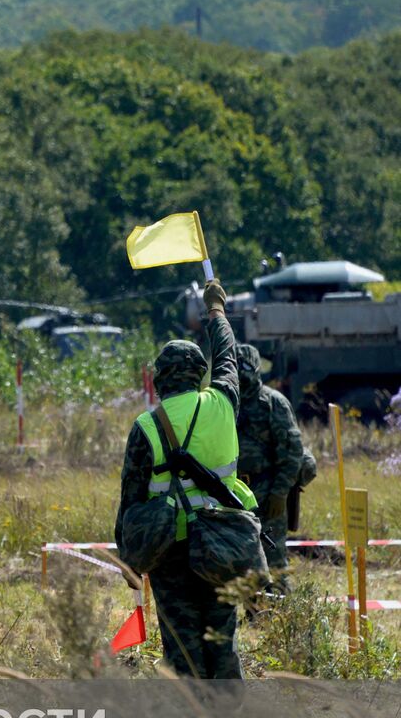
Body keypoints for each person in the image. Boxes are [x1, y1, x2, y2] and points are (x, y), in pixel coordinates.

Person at [115, 280, 256, 679]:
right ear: (199, 375)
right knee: (222, 641)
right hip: (223, 540)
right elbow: (226, 355)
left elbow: (130, 501)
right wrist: (216, 310)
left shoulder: (145, 426)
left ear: (160, 381)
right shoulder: (224, 402)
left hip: (170, 551)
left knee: (182, 648)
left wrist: (131, 561)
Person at [234, 343, 305, 582]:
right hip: (231, 494)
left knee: (273, 559)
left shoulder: (273, 403)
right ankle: (254, 614)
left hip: (267, 494)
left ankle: (280, 615)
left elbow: (292, 453)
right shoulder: (225, 404)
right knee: (240, 559)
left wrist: (280, 493)